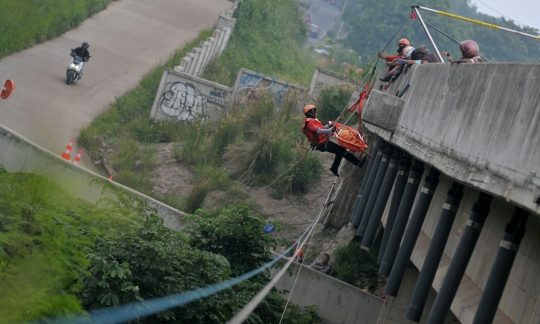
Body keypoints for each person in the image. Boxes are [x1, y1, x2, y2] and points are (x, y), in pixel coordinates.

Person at [301, 105, 365, 177]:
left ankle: (334, 168)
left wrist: (329, 126)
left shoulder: (311, 121)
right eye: (315, 111)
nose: (316, 113)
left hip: (323, 143)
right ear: (311, 112)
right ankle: (358, 163)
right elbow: (318, 131)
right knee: (341, 151)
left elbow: (321, 128)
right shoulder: (310, 122)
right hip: (322, 144)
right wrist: (330, 130)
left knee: (340, 151)